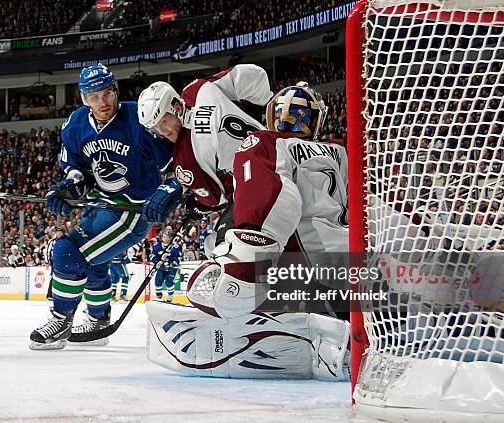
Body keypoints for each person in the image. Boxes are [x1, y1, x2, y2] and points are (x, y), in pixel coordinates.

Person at [144, 82, 351, 380]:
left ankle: (268, 320)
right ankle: (348, 320)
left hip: (306, 275)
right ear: (315, 120)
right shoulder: (345, 151)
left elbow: (273, 195)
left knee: (218, 247)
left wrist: (245, 264)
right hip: (353, 274)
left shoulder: (265, 142)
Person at [29, 64, 173, 349]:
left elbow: (171, 159)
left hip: (133, 210)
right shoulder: (76, 123)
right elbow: (77, 168)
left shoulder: (138, 117)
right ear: (84, 98)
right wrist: (70, 185)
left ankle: (60, 321)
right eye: (93, 97)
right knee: (96, 260)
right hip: (102, 204)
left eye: (107, 94)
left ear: (115, 91)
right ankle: (97, 321)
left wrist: (171, 188)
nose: (102, 103)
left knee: (67, 251)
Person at [137, 64, 271, 235]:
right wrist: (261, 104)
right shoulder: (197, 89)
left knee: (219, 246)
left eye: (163, 121)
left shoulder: (184, 159)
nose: (163, 132)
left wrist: (198, 205)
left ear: (176, 107)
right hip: (277, 153)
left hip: (255, 190)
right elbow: (254, 75)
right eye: (155, 128)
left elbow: (215, 199)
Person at [150, 230, 181, 302]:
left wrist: (174, 263)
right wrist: (157, 262)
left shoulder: (175, 246)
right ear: (162, 237)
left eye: (167, 237)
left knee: (169, 283)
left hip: (171, 269)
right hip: (161, 268)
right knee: (157, 282)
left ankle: (170, 298)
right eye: (164, 237)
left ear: (170, 238)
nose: (165, 238)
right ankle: (158, 297)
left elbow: (179, 257)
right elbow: (152, 255)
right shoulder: (157, 245)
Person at [44, 226, 64, 310]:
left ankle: (60, 294)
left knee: (62, 278)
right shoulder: (52, 241)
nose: (59, 233)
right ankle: (50, 294)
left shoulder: (65, 241)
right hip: (55, 262)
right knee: (53, 278)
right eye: (57, 232)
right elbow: (47, 251)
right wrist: (47, 261)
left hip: (63, 262)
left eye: (60, 232)